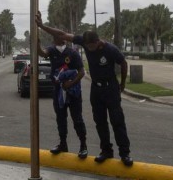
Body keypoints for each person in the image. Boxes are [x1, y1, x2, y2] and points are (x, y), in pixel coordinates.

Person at [35, 11, 134, 167]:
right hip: (96, 89)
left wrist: (122, 84)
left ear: (98, 42)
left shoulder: (110, 49)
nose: (89, 49)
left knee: (117, 121)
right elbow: (61, 34)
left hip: (111, 88)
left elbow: (123, 63)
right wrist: (41, 26)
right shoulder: (83, 41)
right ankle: (106, 151)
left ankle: (125, 153)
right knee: (100, 122)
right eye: (86, 46)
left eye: (91, 46)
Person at [36, 29, 88, 159]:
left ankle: (83, 146)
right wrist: (37, 43)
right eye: (58, 35)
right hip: (58, 92)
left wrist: (71, 83)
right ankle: (63, 144)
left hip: (73, 92)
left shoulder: (72, 53)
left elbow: (82, 72)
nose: (62, 37)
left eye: (61, 35)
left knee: (77, 119)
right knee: (60, 119)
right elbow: (42, 53)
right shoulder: (52, 50)